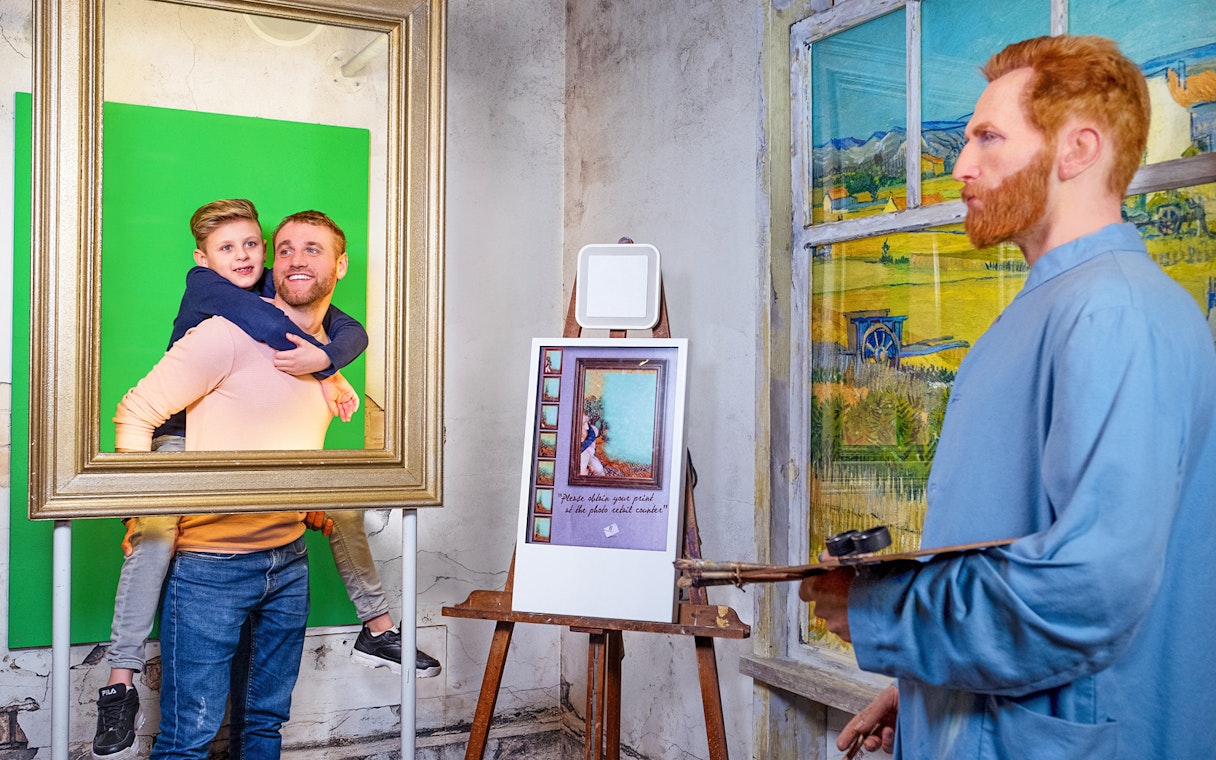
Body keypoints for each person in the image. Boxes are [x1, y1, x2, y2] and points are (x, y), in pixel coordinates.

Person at [800, 35, 1216, 759]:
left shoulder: (1116, 313)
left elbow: (1089, 592)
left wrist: (882, 615)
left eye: (988, 138)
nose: (961, 166)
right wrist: (926, 688)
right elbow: (1011, 537)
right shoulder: (1052, 305)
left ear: (1078, 149)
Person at [108, 210, 418, 759]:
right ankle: (120, 676)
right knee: (188, 739)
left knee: (264, 728)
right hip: (209, 568)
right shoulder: (222, 329)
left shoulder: (324, 349)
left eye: (313, 249)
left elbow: (335, 352)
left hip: (288, 563)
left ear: (340, 264)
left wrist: (328, 365)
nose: (295, 258)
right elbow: (136, 412)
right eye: (287, 249)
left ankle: (377, 622)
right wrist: (141, 506)